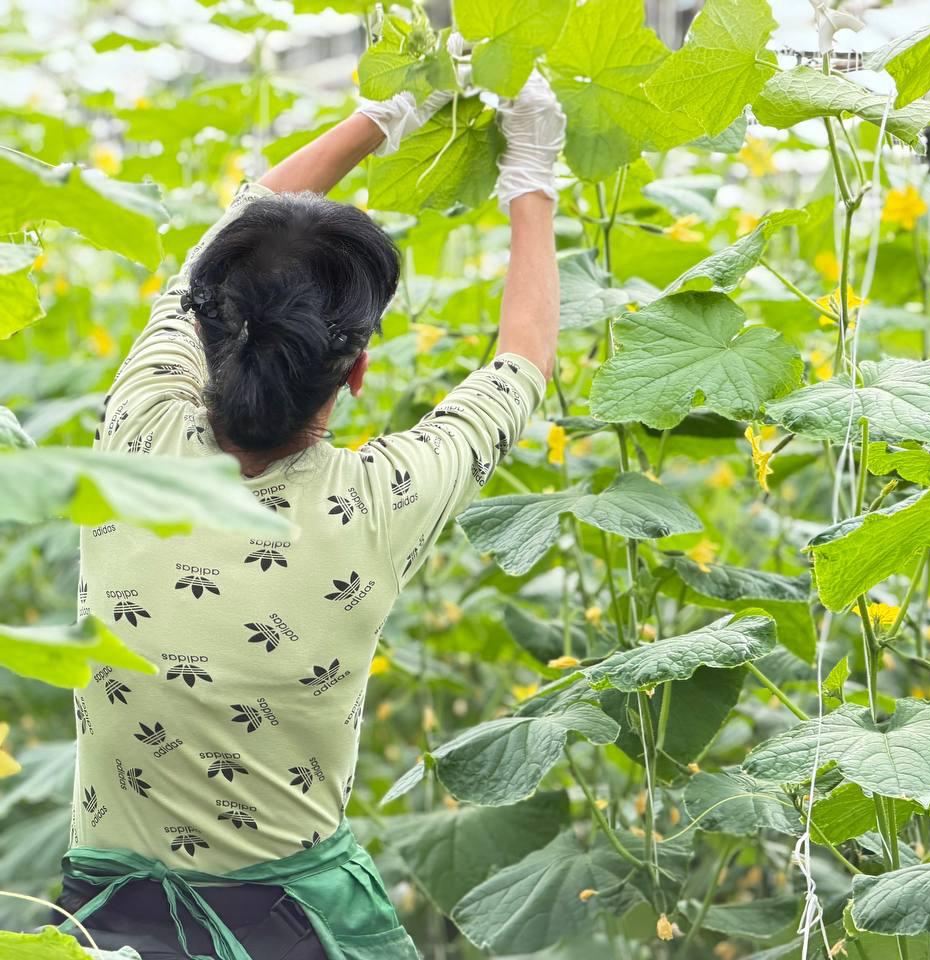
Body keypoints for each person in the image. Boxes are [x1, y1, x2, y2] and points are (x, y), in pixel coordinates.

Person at [42, 61, 566, 960]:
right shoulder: (379, 501)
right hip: (294, 929)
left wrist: (379, 117)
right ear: (356, 371)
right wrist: (532, 178)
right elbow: (521, 364)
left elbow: (219, 240)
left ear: (204, 328)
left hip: (108, 930)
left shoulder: (138, 434)